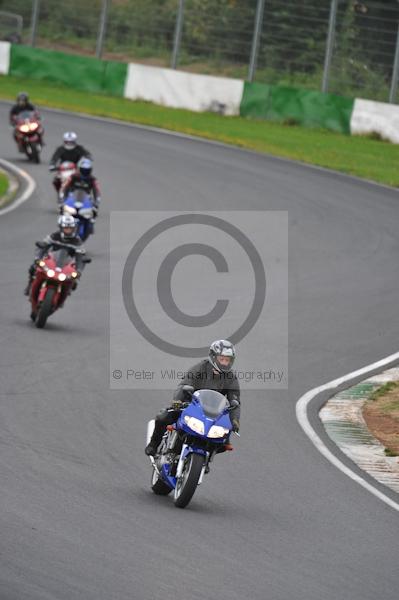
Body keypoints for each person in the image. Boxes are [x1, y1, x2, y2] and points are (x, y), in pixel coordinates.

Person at [145, 339, 241, 457]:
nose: (224, 363)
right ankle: (154, 444)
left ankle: (206, 459)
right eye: (222, 359)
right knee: (163, 417)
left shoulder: (231, 378)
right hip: (190, 406)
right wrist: (177, 401)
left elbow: (235, 401)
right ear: (214, 357)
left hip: (214, 414)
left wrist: (235, 421)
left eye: (227, 360)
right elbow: (184, 384)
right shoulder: (200, 368)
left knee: (223, 439)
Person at [24, 215, 87, 296]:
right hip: (51, 260)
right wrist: (38, 258)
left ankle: (66, 292)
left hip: (66, 264)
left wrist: (78, 271)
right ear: (61, 227)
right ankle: (29, 285)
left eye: (70, 228)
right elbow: (43, 246)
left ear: (74, 228)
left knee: (74, 281)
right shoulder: (54, 236)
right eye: (66, 228)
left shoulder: (78, 242)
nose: (68, 230)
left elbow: (80, 257)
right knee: (33, 267)